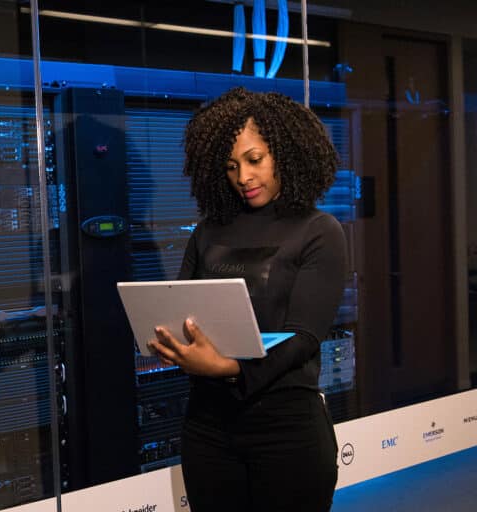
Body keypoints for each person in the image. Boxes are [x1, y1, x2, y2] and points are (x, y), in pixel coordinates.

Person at [147, 87, 347, 512]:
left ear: (286, 153)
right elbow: (181, 310)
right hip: (208, 430)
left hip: (287, 430)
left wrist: (229, 368)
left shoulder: (319, 230)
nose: (243, 177)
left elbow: (303, 337)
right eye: (231, 166)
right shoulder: (207, 233)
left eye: (254, 160)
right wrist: (167, 340)